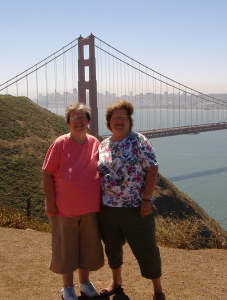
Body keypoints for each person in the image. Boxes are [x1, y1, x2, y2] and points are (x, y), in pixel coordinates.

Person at [97, 100, 166, 300]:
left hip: (136, 207)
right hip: (108, 208)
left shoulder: (139, 141)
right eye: (114, 118)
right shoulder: (103, 145)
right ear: (108, 122)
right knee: (112, 247)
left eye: (123, 118)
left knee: (146, 248)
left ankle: (157, 289)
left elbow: (152, 168)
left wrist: (147, 199)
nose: (118, 121)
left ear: (129, 121)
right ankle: (116, 282)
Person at [42, 102, 104, 300]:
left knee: (88, 247)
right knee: (66, 249)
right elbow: (47, 174)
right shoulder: (60, 143)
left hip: (90, 208)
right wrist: (50, 202)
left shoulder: (95, 142)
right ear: (68, 122)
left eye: (82, 117)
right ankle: (67, 287)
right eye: (74, 117)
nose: (79, 121)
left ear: (88, 121)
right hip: (64, 208)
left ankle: (85, 283)